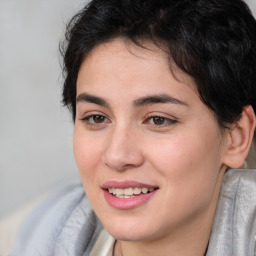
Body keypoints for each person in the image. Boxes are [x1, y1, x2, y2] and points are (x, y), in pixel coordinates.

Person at [11, 0, 256, 255]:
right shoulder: (38, 234)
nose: (116, 156)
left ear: (236, 137)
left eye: (158, 120)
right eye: (96, 118)